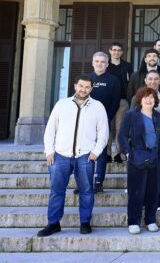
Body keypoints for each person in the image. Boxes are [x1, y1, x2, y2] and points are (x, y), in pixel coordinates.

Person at [38, 75, 109, 237]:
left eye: (87, 87)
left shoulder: (98, 107)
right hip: (60, 155)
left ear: (91, 89)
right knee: (56, 190)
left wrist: (96, 152)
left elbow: (103, 133)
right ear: (75, 85)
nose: (83, 89)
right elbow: (50, 129)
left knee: (86, 191)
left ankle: (85, 222)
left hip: (85, 156)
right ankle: (53, 223)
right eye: (81, 86)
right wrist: (49, 150)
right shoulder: (62, 104)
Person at [118, 87, 160, 234]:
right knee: (136, 192)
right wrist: (127, 153)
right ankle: (134, 221)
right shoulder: (131, 115)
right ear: (140, 99)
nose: (149, 100)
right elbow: (122, 135)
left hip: (154, 157)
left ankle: (151, 220)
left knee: (153, 191)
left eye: (151, 97)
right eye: (145, 97)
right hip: (137, 158)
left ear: (155, 100)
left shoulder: (158, 116)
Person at [88, 52, 121, 194]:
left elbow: (115, 101)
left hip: (104, 122)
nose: (99, 64)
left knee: (101, 153)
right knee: (85, 153)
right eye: (97, 61)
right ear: (92, 63)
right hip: (86, 123)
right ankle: (84, 182)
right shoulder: (86, 78)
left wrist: (107, 118)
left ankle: (98, 182)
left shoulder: (113, 80)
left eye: (103, 62)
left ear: (107, 64)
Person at [107, 42, 133, 163]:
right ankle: (107, 153)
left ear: (122, 52)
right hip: (107, 101)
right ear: (110, 51)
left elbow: (130, 83)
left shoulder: (127, 66)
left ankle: (119, 153)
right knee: (107, 127)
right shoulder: (105, 65)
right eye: (114, 50)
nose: (116, 52)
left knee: (120, 128)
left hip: (122, 100)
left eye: (119, 50)